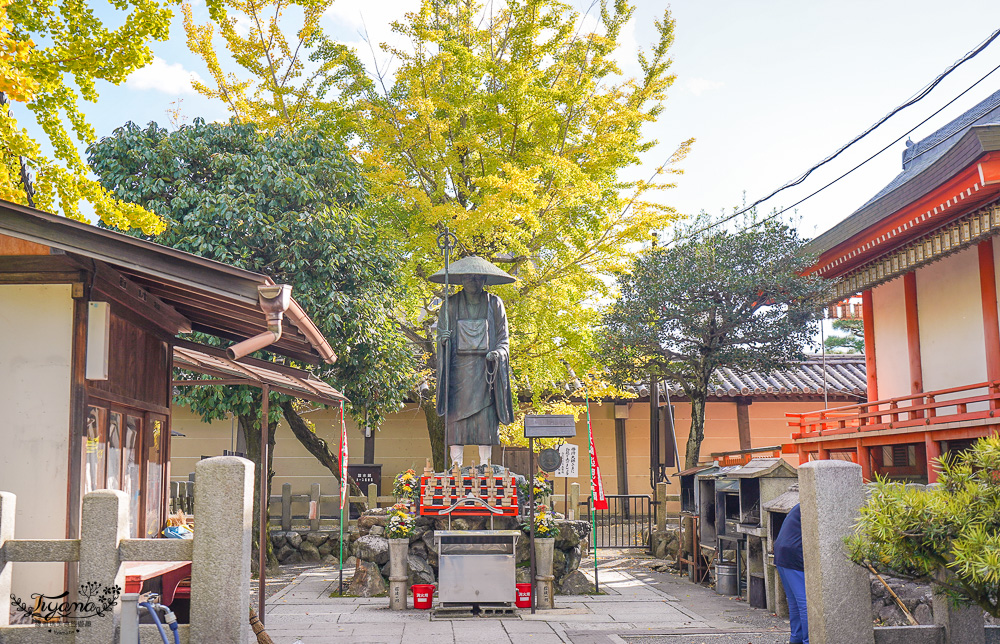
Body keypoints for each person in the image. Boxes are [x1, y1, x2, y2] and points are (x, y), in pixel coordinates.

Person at [431, 256, 516, 470]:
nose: (473, 281)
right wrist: (444, 340)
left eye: (478, 277)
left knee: (486, 420)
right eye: (469, 277)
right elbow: (441, 334)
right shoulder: (450, 304)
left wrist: (497, 353)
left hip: (485, 372)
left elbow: (503, 339)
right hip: (457, 374)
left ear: (485, 279)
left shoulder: (495, 303)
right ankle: (456, 465)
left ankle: (485, 464)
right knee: (455, 420)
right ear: (461, 280)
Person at [773, 503, 808, 644]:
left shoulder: (801, 504)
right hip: (794, 553)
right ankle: (808, 640)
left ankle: (797, 639)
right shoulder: (818, 499)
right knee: (805, 603)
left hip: (782, 551)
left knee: (795, 603)